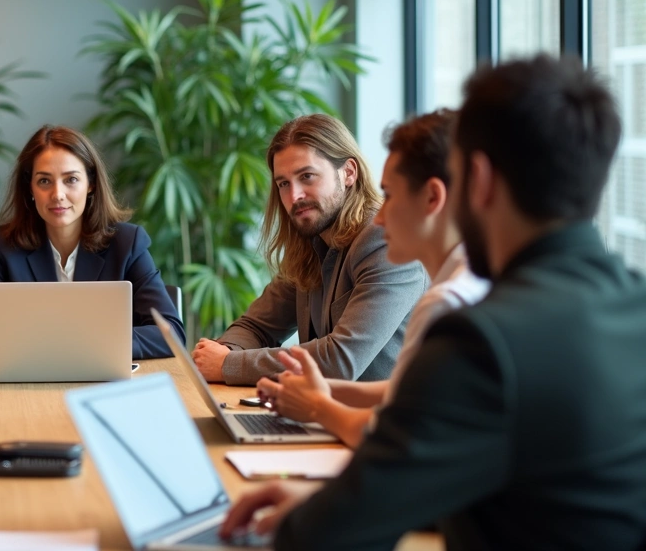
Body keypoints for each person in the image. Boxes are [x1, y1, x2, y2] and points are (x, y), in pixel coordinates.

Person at [221, 56, 646, 549]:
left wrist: (305, 515)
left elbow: (329, 534)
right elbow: (543, 501)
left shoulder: (480, 342)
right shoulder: (632, 303)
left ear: (479, 181)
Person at [255, 110, 489, 447]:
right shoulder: (463, 282)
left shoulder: (452, 299)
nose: (378, 217)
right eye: (283, 184)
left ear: (433, 198)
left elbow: (399, 436)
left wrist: (318, 406)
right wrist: (309, 390)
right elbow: (407, 393)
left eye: (390, 195)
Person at [192, 114, 426, 386]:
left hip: (385, 423)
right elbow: (255, 326)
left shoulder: (384, 240)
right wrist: (225, 353)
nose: (294, 197)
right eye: (283, 184)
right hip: (325, 417)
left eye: (307, 176)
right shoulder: (310, 244)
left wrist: (227, 365)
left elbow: (340, 360)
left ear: (349, 173)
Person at [0, 125, 183, 360]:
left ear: (91, 184)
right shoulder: (4, 247)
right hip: (28, 389)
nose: (58, 194)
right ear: (30, 188)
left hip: (105, 387)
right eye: (44, 181)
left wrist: (88, 345)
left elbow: (171, 334)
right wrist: (50, 348)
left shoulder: (127, 244)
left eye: (71, 179)